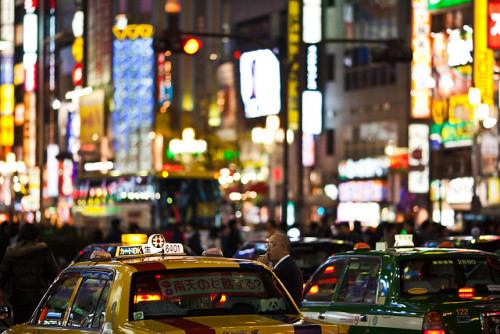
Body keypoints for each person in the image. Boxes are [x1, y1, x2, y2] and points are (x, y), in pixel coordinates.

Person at [0, 223, 60, 324]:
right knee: (36, 327)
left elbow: (2, 277)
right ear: (36, 236)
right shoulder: (43, 251)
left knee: (20, 327)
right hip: (38, 299)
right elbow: (54, 274)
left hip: (18, 299)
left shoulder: (12, 253)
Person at [257, 233, 303, 307]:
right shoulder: (286, 265)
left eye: (272, 245)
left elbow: (266, 291)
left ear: (283, 249)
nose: (268, 249)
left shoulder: (286, 268)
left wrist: (261, 267)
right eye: (267, 245)